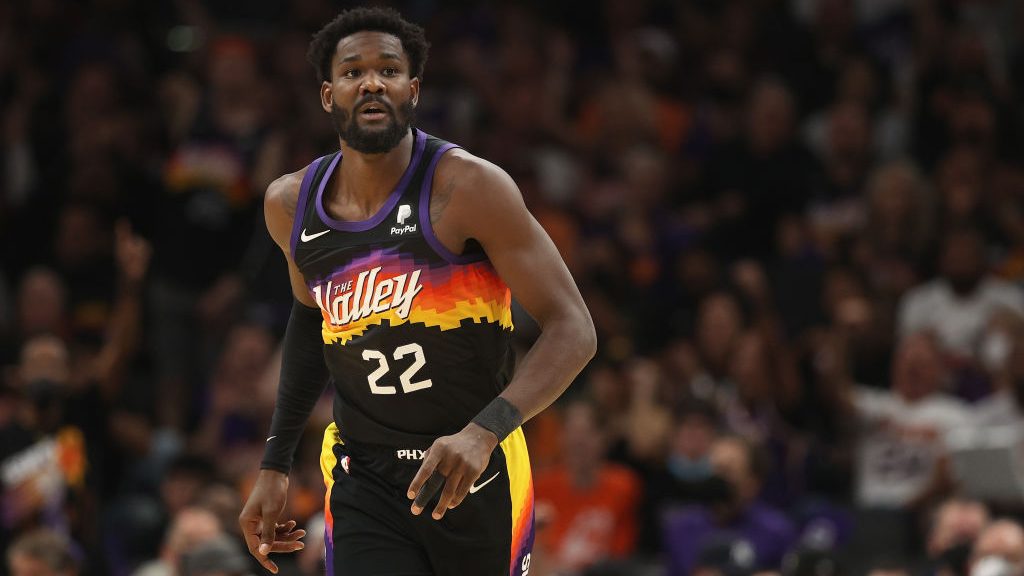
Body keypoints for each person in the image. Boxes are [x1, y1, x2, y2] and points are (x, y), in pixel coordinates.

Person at [237, 7, 596, 576]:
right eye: (354, 72)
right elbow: (311, 320)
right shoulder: (290, 205)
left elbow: (574, 327)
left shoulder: (469, 187)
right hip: (365, 475)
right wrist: (275, 464)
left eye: (389, 70)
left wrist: (484, 433)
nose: (372, 81)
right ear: (329, 96)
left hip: (475, 468)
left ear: (414, 89)